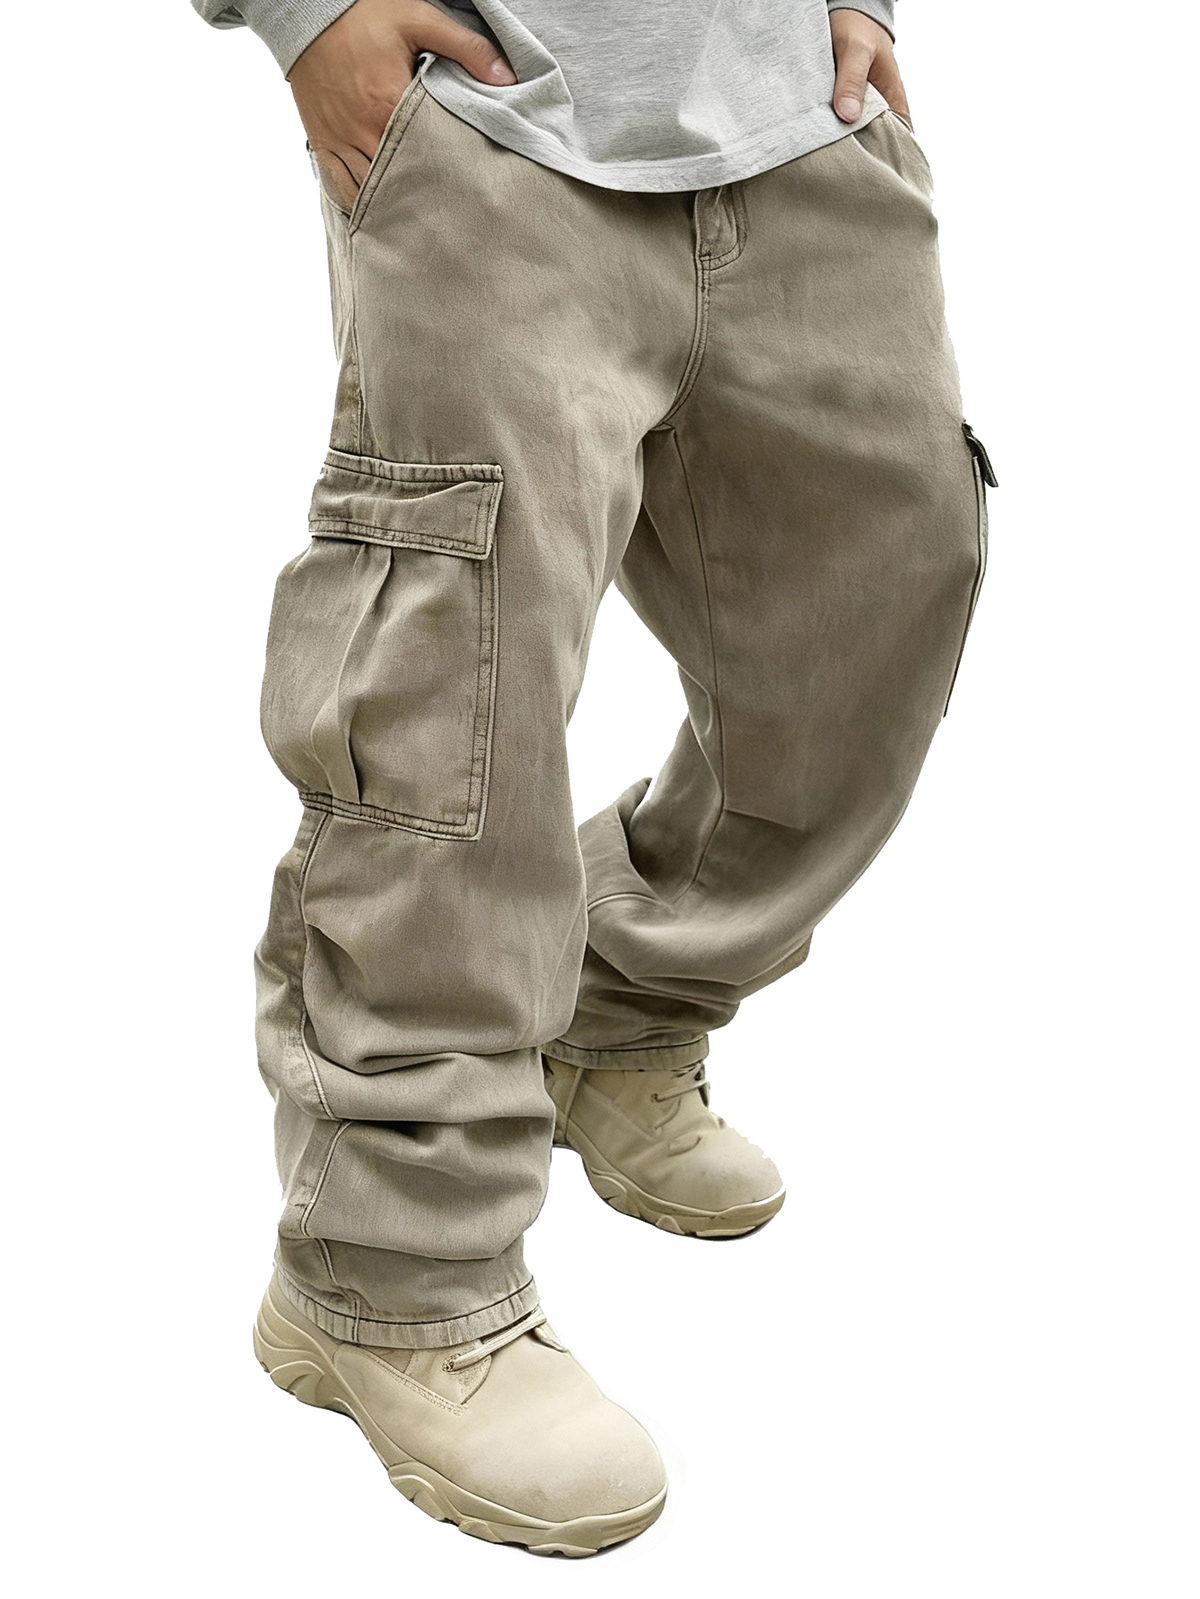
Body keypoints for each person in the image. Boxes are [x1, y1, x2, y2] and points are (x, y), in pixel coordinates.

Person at [196, 0, 994, 1557]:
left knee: (882, 599)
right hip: (493, 111)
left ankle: (619, 1007)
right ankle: (391, 1278)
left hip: (795, 116)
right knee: (452, 697)